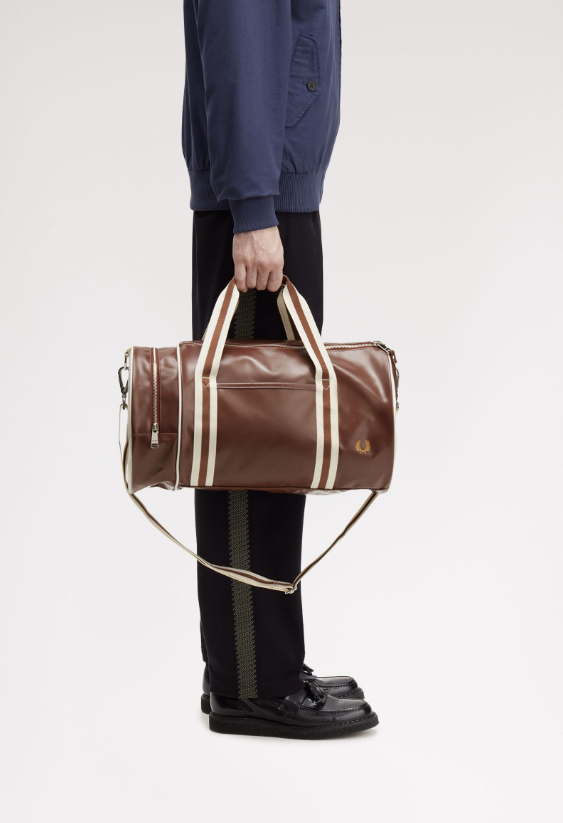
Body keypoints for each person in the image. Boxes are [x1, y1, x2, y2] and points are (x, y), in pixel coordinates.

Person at [182, 0, 378, 738]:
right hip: (259, 209)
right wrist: (255, 210)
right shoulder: (258, 215)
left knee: (273, 445)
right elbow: (240, 48)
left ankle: (264, 663)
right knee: (250, 451)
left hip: (271, 197)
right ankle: (251, 683)